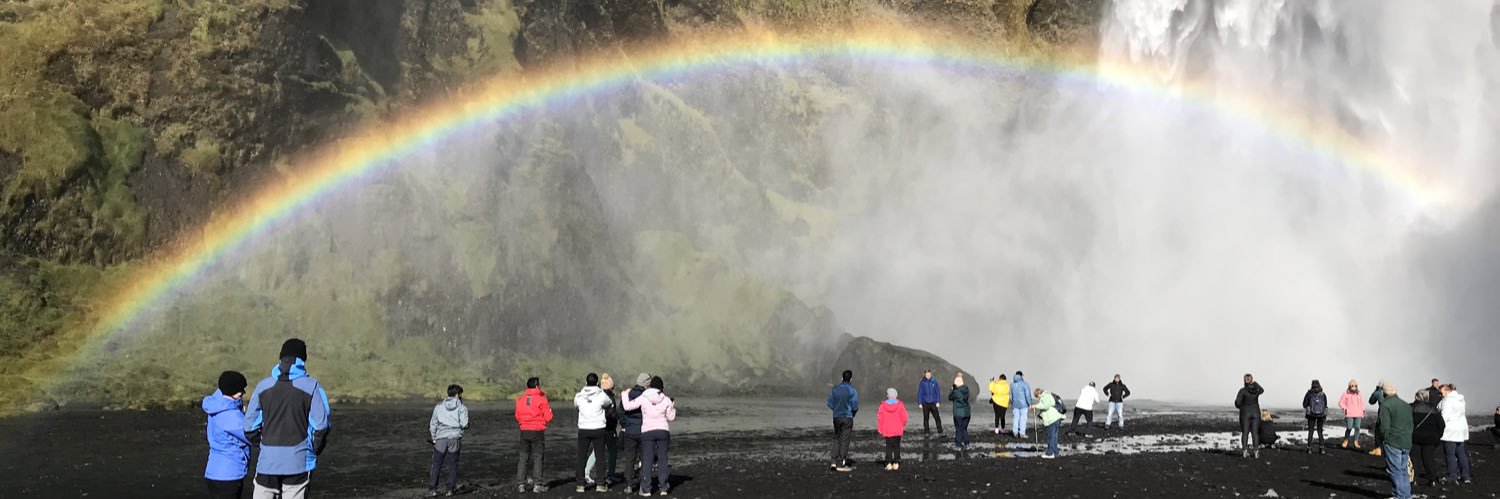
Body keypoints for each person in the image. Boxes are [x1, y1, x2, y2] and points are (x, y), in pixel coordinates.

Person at [244, 338, 330, 499]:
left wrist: (264, 444)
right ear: (303, 359)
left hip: (267, 464)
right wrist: (313, 450)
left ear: (281, 357)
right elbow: (321, 426)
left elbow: (249, 427)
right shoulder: (312, 386)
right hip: (298, 464)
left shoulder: (263, 386)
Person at [623, 376, 676, 496]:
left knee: (647, 459)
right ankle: (663, 487)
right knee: (663, 458)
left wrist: (624, 394)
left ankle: (646, 488)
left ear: (650, 386)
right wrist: (672, 406)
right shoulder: (666, 399)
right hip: (663, 430)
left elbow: (627, 406)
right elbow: (671, 417)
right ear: (661, 388)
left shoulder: (644, 397)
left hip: (647, 431)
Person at [204, 371, 250, 499]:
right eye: (241, 390)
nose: (243, 392)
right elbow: (251, 435)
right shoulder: (231, 416)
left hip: (213, 472)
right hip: (229, 475)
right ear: (232, 392)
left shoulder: (216, 405)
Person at [574, 373, 614, 493]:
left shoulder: (579, 396)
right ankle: (600, 484)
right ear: (597, 383)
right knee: (600, 456)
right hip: (598, 428)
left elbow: (576, 406)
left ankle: (580, 485)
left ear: (586, 383)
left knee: (581, 456)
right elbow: (609, 404)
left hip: (584, 429)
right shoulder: (601, 395)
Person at [428, 384, 469, 497]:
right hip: (454, 438)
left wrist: (433, 437)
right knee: (452, 464)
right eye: (460, 394)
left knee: (436, 464)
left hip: (440, 438)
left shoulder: (439, 406)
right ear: (457, 395)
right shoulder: (462, 408)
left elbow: (433, 424)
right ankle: (450, 489)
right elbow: (464, 424)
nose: (461, 396)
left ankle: (433, 489)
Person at [515, 377, 553, 493]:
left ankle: (521, 484)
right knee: (538, 458)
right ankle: (537, 485)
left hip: (524, 431)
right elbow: (549, 417)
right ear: (537, 386)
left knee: (523, 458)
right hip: (537, 432)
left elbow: (517, 416)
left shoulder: (520, 399)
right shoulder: (542, 400)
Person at [1377, 383, 1413, 499]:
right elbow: (1410, 424)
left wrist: (1384, 439)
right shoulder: (1406, 405)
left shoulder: (1385, 405)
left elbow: (1383, 427)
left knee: (1394, 470)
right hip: (1406, 441)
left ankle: (1399, 495)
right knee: (1402, 470)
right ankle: (1406, 495)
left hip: (1393, 441)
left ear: (1384, 392)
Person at [584, 374, 618, 488]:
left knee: (596, 452)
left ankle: (586, 472)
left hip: (599, 428)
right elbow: (611, 414)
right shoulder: (608, 397)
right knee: (613, 452)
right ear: (610, 386)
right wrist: (615, 419)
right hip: (609, 428)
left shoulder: (598, 395)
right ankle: (611, 474)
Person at [619, 373, 650, 494]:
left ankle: (629, 484)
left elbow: (620, 411)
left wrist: (624, 425)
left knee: (630, 459)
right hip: (644, 430)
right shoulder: (647, 396)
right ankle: (643, 484)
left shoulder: (628, 395)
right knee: (644, 458)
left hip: (630, 431)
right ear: (647, 384)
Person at [1410, 388, 1446, 487]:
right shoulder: (1434, 409)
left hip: (1414, 438)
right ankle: (1432, 479)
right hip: (1430, 439)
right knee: (1429, 459)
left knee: (1414, 459)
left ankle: (1414, 479)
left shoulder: (1412, 408)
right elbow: (1441, 425)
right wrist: (1438, 436)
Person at [1437, 384, 1471, 484]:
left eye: (1441, 392)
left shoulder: (1447, 401)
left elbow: (1443, 417)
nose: (1440, 395)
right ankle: (1466, 476)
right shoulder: (1460, 400)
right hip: (1461, 430)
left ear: (1447, 391)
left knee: (1450, 454)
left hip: (1450, 431)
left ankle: (1452, 475)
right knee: (1461, 454)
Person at [826, 369, 859, 472]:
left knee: (836, 438)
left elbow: (829, 403)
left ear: (842, 378)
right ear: (851, 379)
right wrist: (852, 413)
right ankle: (841, 463)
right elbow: (855, 406)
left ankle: (833, 462)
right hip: (847, 417)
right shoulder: (852, 390)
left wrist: (836, 410)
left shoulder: (835, 389)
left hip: (836, 417)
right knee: (845, 440)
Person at [877, 388, 910, 471]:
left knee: (888, 446)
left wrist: (880, 429)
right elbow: (905, 417)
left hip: (887, 430)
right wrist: (902, 425)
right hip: (897, 430)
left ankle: (888, 463)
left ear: (888, 395)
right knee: (896, 446)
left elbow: (880, 418)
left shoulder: (882, 406)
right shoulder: (900, 406)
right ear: (896, 395)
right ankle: (896, 463)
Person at [1234, 373, 1264, 459]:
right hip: (1256, 413)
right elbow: (1262, 390)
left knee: (1245, 433)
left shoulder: (1242, 391)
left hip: (1245, 413)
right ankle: (1256, 452)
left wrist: (1241, 406)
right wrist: (1255, 383)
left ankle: (1244, 452)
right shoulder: (1256, 390)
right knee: (1255, 433)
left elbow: (1237, 403)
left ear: (1244, 381)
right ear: (1251, 380)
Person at [1033, 387, 1064, 459]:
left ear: (1038, 394)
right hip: (1056, 417)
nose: (1038, 398)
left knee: (1051, 436)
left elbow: (1046, 406)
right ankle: (1055, 453)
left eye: (1037, 397)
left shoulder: (1045, 396)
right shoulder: (1049, 395)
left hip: (1051, 419)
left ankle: (1050, 453)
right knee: (1054, 436)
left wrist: (1035, 406)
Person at [1301, 379, 1328, 454]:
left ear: (1311, 385)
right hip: (1321, 415)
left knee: (1311, 431)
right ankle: (1322, 449)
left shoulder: (1309, 394)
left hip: (1311, 415)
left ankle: (1309, 449)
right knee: (1320, 431)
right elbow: (1325, 405)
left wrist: (1309, 407)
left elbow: (1304, 404)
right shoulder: (1323, 394)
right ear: (1319, 385)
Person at [1339, 379, 1365, 450]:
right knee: (1349, 427)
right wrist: (1345, 408)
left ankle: (1356, 442)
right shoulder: (1345, 394)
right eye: (1352, 385)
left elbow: (1362, 403)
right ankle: (1346, 440)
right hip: (1349, 414)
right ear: (1349, 386)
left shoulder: (1359, 394)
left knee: (1357, 428)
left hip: (1358, 414)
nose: (1354, 387)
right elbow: (1340, 403)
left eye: (1355, 386)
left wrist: (1363, 410)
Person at [949, 373, 972, 449]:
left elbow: (950, 397)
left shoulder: (956, 392)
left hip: (958, 413)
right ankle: (967, 444)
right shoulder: (966, 390)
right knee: (964, 429)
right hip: (967, 413)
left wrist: (952, 389)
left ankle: (958, 444)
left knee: (958, 429)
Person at [917, 370, 943, 436]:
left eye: (929, 374)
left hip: (933, 403)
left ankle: (940, 431)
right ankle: (926, 432)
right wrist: (920, 403)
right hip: (925, 403)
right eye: (926, 375)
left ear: (931, 374)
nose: (928, 376)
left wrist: (938, 401)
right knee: (926, 418)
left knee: (937, 417)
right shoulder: (922, 382)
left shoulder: (934, 381)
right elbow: (920, 392)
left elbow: (937, 392)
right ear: (925, 375)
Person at [1010, 371, 1034, 438]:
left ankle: (1015, 432)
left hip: (1015, 405)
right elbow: (1027, 395)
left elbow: (1010, 395)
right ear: (1021, 376)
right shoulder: (1025, 384)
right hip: (1024, 405)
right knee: (1023, 418)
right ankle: (1022, 433)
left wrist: (1012, 402)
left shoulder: (1012, 385)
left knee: (1015, 418)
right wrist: (1030, 404)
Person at [1368, 380, 1388, 456]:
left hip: (1383, 413)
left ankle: (1378, 449)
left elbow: (1371, 401)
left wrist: (1376, 390)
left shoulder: (1378, 393)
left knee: (1378, 430)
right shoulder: (1392, 393)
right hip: (1393, 412)